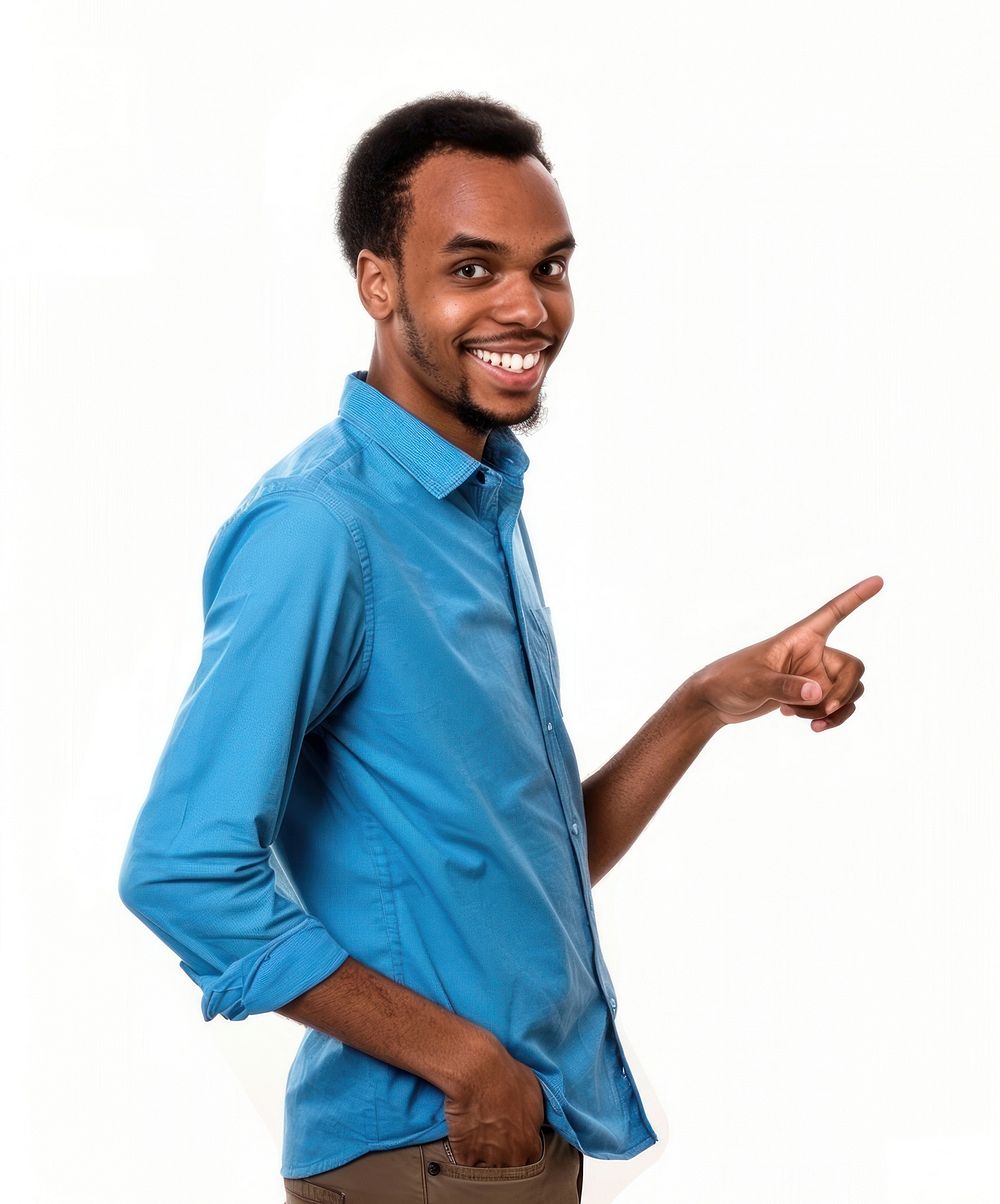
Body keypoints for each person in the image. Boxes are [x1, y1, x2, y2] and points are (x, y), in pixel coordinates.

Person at [118, 92, 882, 1203]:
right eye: (472, 269)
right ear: (379, 284)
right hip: (430, 1148)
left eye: (550, 266)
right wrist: (463, 1061)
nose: (528, 306)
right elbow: (182, 866)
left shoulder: (471, 506)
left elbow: (512, 865)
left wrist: (704, 704)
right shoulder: (323, 530)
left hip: (500, 1139)